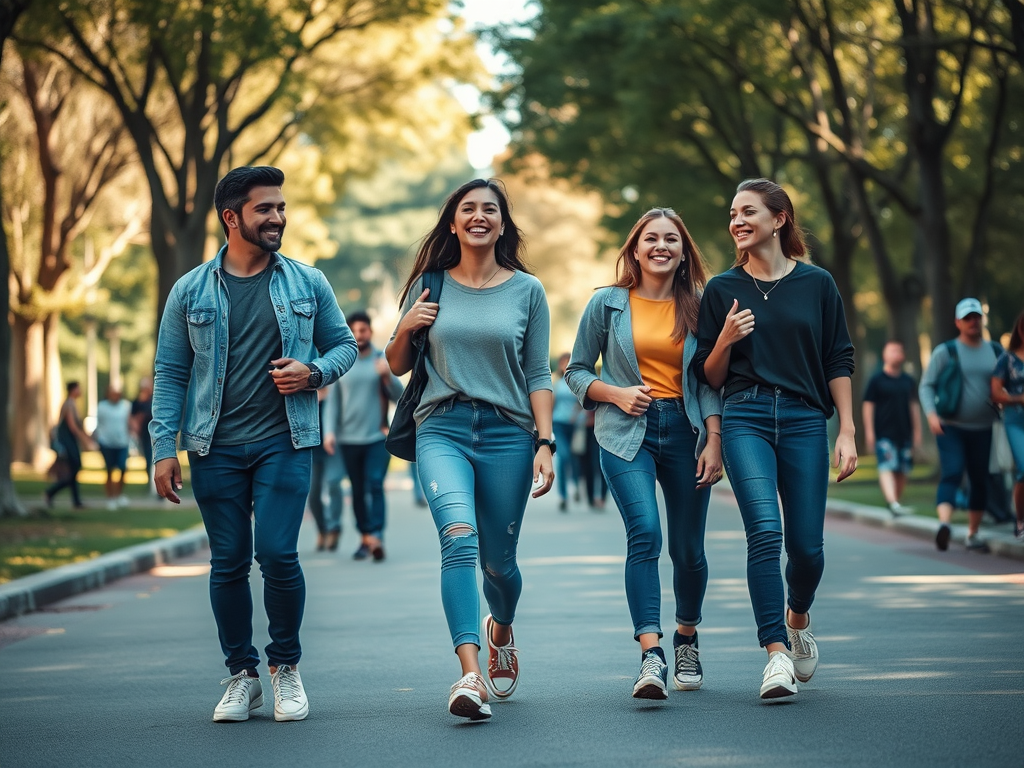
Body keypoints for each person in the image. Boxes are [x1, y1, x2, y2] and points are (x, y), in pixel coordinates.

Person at [150, 166, 357, 724]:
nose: (278, 218)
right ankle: (241, 674)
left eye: (281, 207)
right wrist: (162, 448)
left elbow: (344, 347)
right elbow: (171, 371)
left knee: (278, 554)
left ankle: (284, 668)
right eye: (266, 209)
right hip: (212, 446)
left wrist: (312, 373)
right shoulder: (190, 290)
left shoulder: (307, 282)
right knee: (228, 562)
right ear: (231, 217)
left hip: (284, 440)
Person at [385, 178, 554, 722]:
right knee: (458, 540)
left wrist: (545, 442)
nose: (479, 216)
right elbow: (396, 362)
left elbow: (538, 373)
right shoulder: (430, 285)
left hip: (508, 433)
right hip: (443, 427)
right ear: (453, 223)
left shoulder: (527, 291)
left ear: (502, 224)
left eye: (490, 210)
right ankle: (469, 673)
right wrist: (408, 326)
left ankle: (500, 627)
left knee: (500, 565)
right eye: (468, 209)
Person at [695, 178, 856, 701]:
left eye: (747, 212)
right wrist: (724, 340)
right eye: (732, 214)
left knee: (807, 550)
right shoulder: (721, 289)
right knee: (764, 531)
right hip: (746, 417)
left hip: (807, 419)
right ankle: (775, 655)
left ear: (778, 218)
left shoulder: (818, 284)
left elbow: (838, 359)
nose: (736, 221)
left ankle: (797, 615)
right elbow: (709, 376)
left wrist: (848, 430)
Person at [566, 207, 723, 700]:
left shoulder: (700, 305)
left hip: (687, 429)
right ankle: (651, 655)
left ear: (683, 250)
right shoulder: (607, 304)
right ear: (635, 249)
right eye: (651, 238)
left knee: (689, 551)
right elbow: (574, 371)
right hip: (624, 431)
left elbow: (712, 381)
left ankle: (686, 636)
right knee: (645, 534)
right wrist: (614, 393)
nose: (661, 246)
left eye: (671, 239)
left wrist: (715, 439)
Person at [919, 298, 1002, 553]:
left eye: (976, 317)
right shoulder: (947, 351)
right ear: (957, 322)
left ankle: (972, 534)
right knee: (952, 472)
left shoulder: (996, 351)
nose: (973, 322)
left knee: (979, 479)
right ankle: (944, 525)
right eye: (967, 318)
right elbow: (926, 385)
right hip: (950, 426)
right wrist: (931, 415)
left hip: (984, 427)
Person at [338, 310, 404, 561]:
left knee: (375, 484)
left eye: (362, 330)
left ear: (370, 332)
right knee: (357, 489)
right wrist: (331, 432)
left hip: (378, 436)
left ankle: (376, 535)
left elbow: (399, 396)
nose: (358, 335)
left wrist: (387, 376)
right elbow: (333, 401)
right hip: (348, 438)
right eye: (353, 331)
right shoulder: (342, 362)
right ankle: (365, 537)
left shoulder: (381, 359)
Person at [862, 341, 921, 516]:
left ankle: (895, 502)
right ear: (884, 355)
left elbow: (914, 407)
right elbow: (868, 406)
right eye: (892, 351)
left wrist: (917, 432)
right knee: (886, 466)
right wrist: (869, 432)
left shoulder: (908, 381)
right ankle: (892, 502)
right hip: (883, 434)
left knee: (902, 470)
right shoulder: (876, 380)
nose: (896, 354)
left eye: (899, 351)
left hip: (904, 433)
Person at [991, 311, 1024, 539]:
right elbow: (995, 393)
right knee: (1023, 469)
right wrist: (1017, 398)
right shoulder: (1008, 359)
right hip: (1016, 419)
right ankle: (1020, 519)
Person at [45, 381, 96, 509]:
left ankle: (75, 500)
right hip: (68, 442)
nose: (80, 391)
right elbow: (73, 426)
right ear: (73, 390)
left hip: (70, 441)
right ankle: (52, 492)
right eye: (78, 388)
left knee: (74, 470)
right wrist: (85, 439)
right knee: (73, 469)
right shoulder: (69, 404)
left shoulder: (71, 403)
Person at [307, 381, 345, 551]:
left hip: (333, 447)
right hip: (313, 449)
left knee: (333, 483)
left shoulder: (337, 387)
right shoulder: (305, 392)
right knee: (313, 493)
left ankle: (334, 527)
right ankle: (322, 529)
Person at [552, 352, 583, 512]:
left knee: (572, 456)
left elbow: (582, 403)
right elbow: (550, 403)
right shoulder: (557, 383)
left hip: (574, 425)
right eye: (564, 362)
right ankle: (563, 495)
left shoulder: (577, 383)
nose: (566, 365)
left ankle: (575, 485)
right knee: (563, 456)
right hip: (558, 422)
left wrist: (576, 415)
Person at [94, 385, 132, 510]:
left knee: (122, 468)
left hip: (122, 442)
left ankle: (119, 494)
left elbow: (128, 422)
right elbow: (99, 423)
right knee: (109, 470)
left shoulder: (125, 406)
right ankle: (110, 497)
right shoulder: (102, 407)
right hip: (107, 442)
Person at [130, 377, 155, 494]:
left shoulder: (153, 399)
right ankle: (152, 482)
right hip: (145, 434)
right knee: (148, 457)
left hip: (154, 433)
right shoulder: (137, 402)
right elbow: (132, 417)